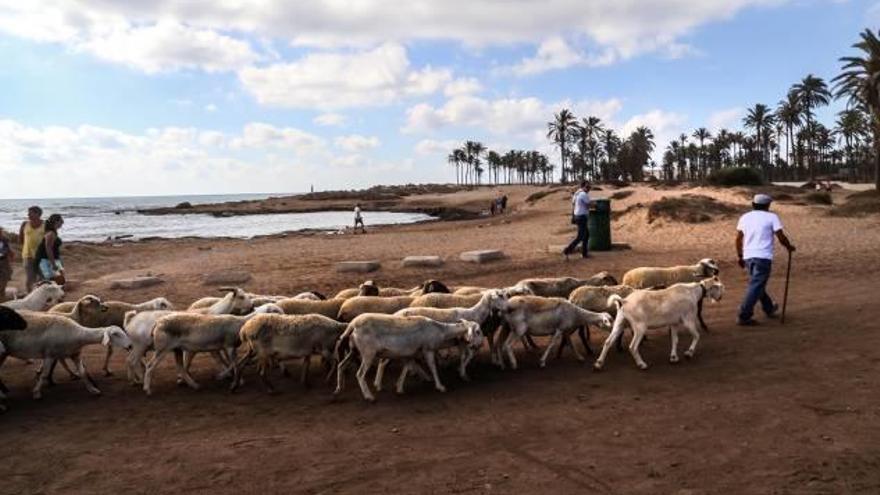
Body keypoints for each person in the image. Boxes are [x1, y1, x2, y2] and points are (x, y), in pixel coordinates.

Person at [735, 194, 796, 326]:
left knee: (757, 284)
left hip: (748, 256)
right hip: (763, 257)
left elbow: (739, 238)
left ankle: (768, 307)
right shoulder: (772, 217)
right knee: (756, 285)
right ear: (767, 206)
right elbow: (780, 236)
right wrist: (789, 247)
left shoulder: (745, 217)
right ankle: (744, 315)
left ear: (753, 205)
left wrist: (740, 256)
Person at [563, 181, 591, 260]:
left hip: (577, 216)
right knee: (581, 236)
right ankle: (567, 250)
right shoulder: (583, 194)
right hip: (582, 217)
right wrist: (595, 204)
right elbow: (588, 204)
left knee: (586, 235)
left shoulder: (577, 193)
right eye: (587, 187)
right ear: (583, 187)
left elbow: (574, 203)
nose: (589, 189)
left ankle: (584, 253)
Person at [19, 205, 45, 292]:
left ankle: (41, 294)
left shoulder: (46, 225)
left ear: (38, 214)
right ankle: (29, 295)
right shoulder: (25, 224)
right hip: (27, 255)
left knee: (43, 276)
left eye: (30, 213)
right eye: (28, 213)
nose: (28, 215)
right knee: (30, 277)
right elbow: (21, 238)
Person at [34, 214, 65, 285]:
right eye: (61, 220)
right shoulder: (51, 233)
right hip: (45, 260)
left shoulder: (53, 232)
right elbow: (48, 249)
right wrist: (53, 263)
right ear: (56, 222)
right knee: (52, 280)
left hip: (51, 259)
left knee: (58, 279)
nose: (62, 222)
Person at [0, 227, 13, 302]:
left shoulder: (5, 240)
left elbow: (9, 249)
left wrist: (11, 254)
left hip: (4, 260)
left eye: (1, 232)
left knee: (5, 277)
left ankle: (2, 295)